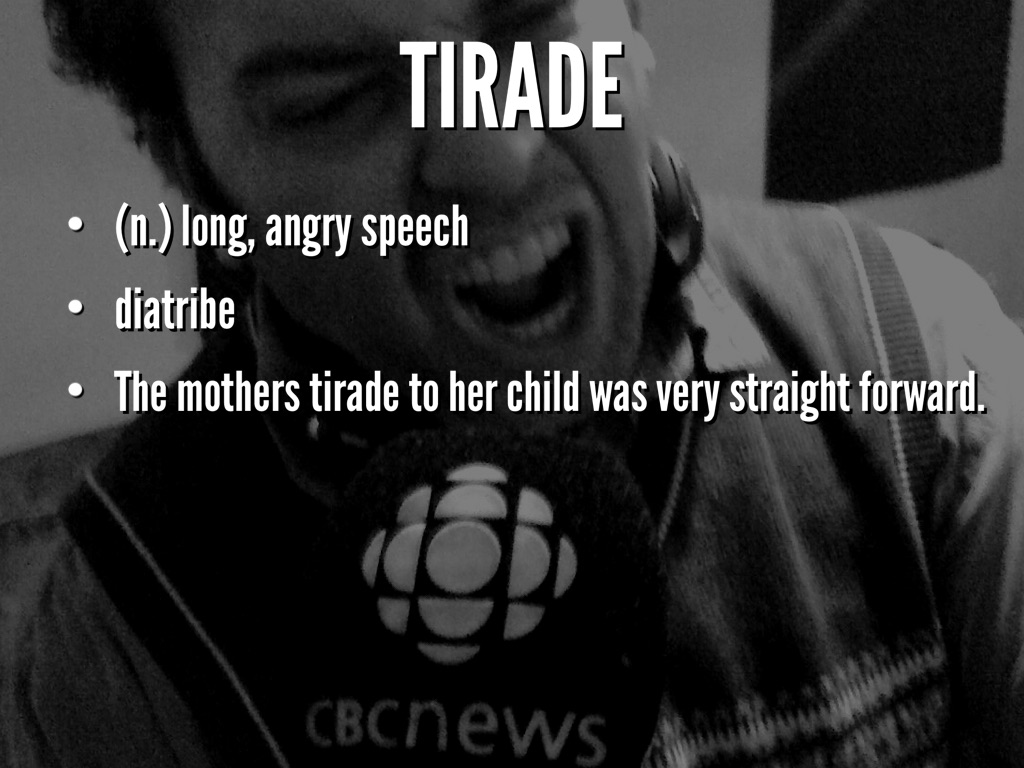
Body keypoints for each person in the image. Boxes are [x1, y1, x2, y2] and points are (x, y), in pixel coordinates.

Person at [2, 0, 1022, 765]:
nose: (495, 153)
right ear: (192, 170)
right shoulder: (123, 648)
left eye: (531, 26)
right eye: (334, 102)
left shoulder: (920, 354)